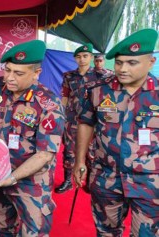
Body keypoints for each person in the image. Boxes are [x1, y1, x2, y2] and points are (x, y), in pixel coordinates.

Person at [0, 40, 65, 236]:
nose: (9, 78)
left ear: (36, 73)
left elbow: (45, 154)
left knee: (34, 232)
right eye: (8, 70)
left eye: (18, 73)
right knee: (1, 228)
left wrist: (11, 178)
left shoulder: (48, 104)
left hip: (32, 180)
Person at [73, 28, 159, 236]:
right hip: (106, 177)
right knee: (106, 232)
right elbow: (86, 123)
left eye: (132, 63)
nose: (122, 68)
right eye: (119, 62)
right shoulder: (98, 90)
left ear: (151, 62)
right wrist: (80, 161)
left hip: (150, 181)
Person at [55, 43, 113, 194]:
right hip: (72, 119)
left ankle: (89, 181)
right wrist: (61, 116)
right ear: (75, 58)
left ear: (91, 57)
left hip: (93, 121)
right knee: (69, 151)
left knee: (92, 151)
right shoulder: (69, 76)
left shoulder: (102, 75)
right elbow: (65, 96)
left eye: (85, 56)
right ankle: (68, 180)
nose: (82, 59)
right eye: (79, 57)